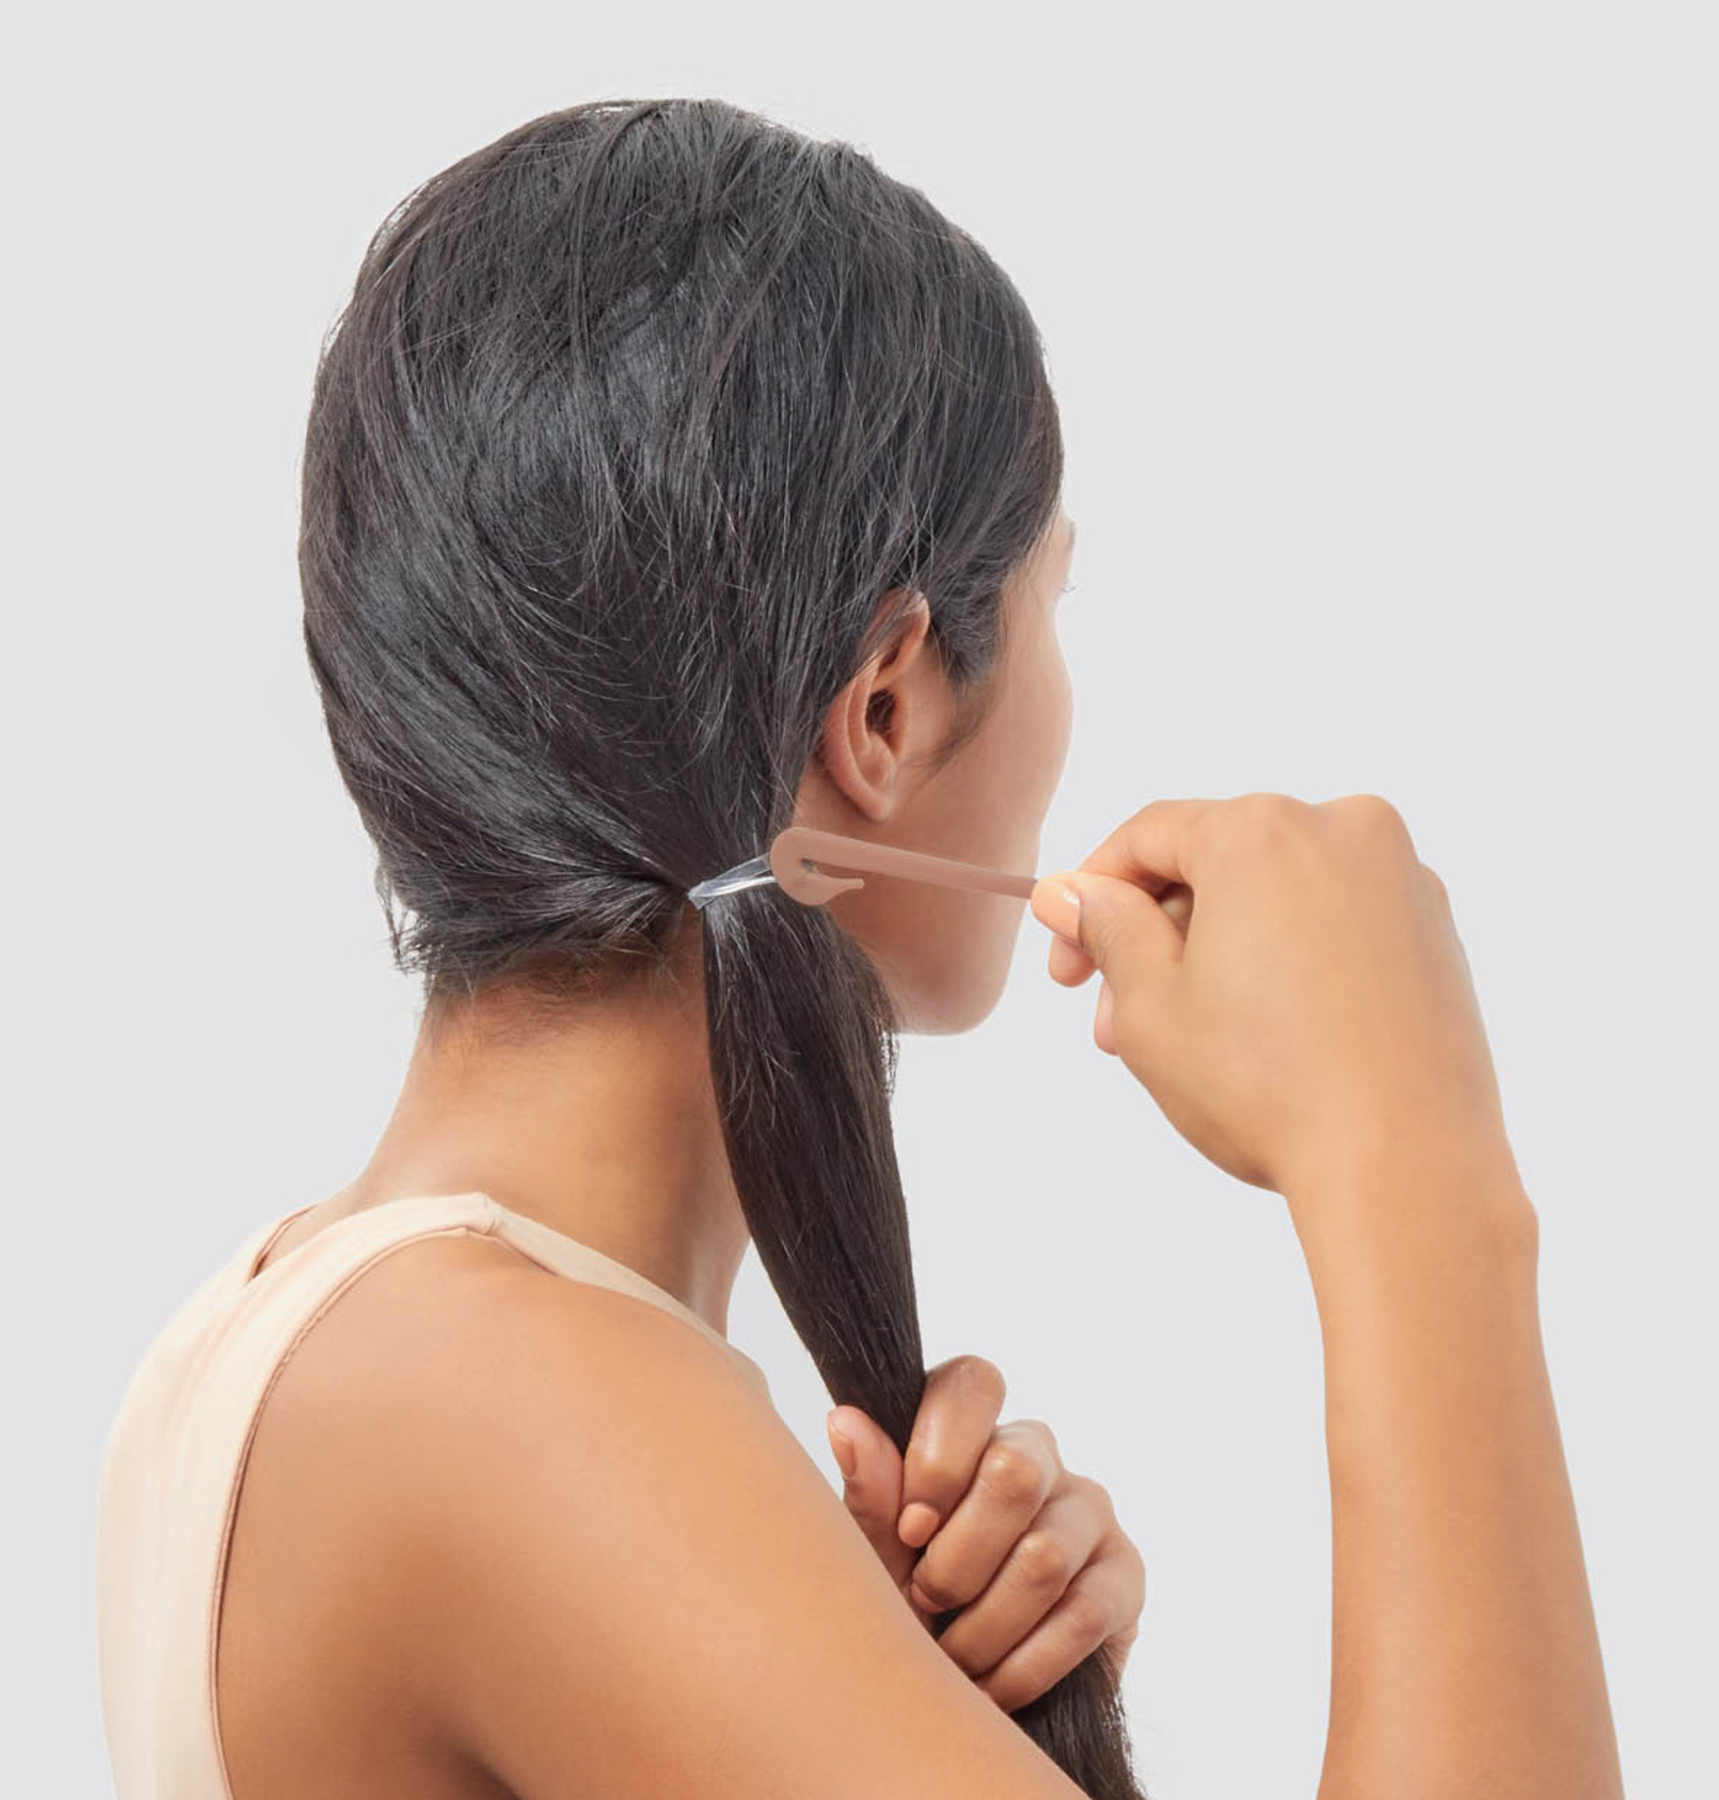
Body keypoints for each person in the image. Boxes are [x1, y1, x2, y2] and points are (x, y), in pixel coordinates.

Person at [95, 97, 1623, 1799]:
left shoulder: (309, 1334)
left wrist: (876, 1687)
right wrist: (1408, 1166)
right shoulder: (500, 1395)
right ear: (882, 711)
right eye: (1053, 600)